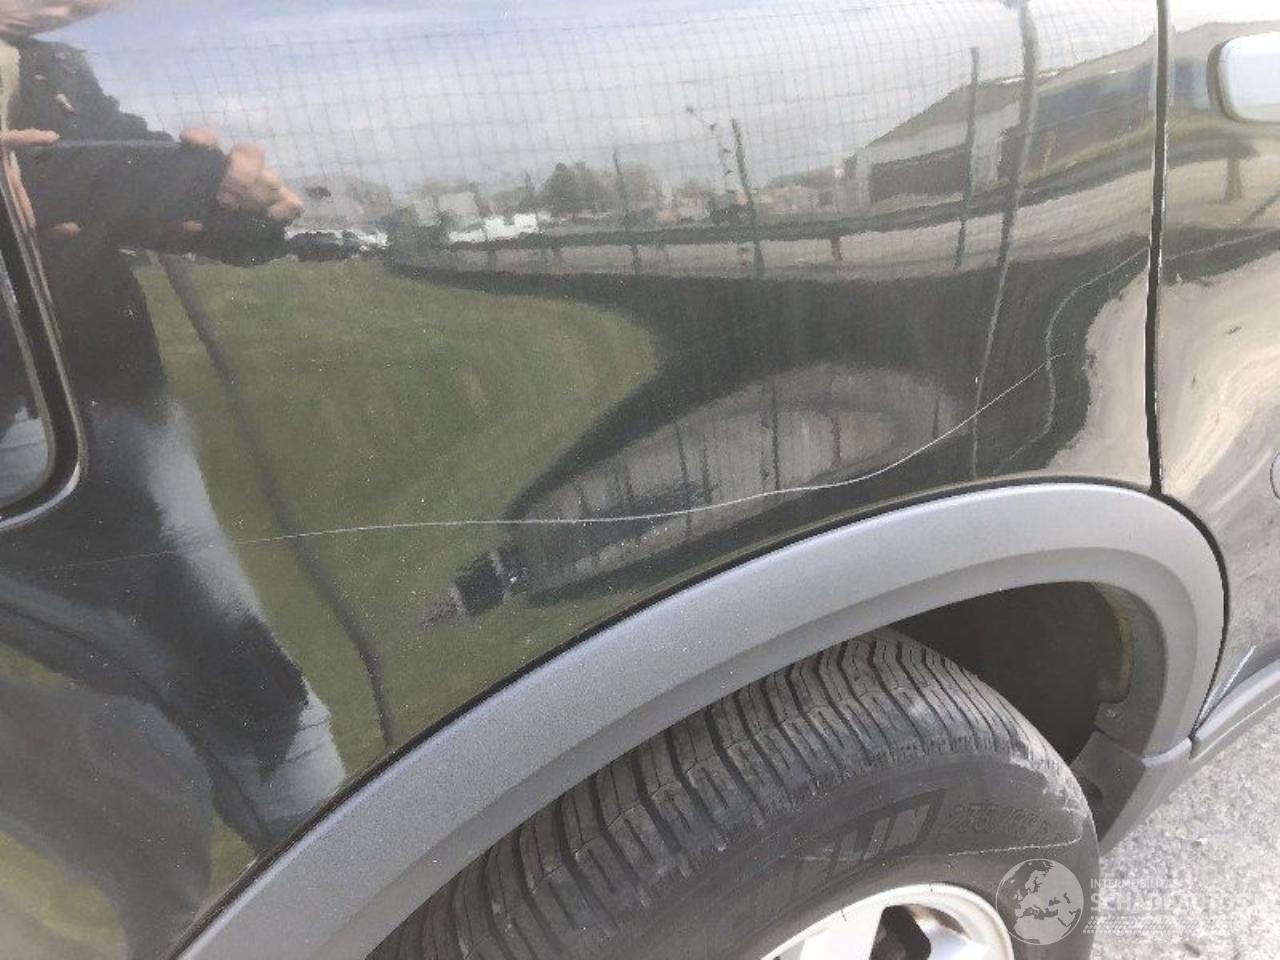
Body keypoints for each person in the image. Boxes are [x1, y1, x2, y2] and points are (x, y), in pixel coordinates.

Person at [0, 3, 343, 956]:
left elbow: (115, 166)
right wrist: (186, 177)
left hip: (109, 394)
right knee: (245, 688)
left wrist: (236, 209)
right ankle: (359, 902)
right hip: (30, 427)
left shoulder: (56, 67)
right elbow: (77, 173)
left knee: (218, 685)